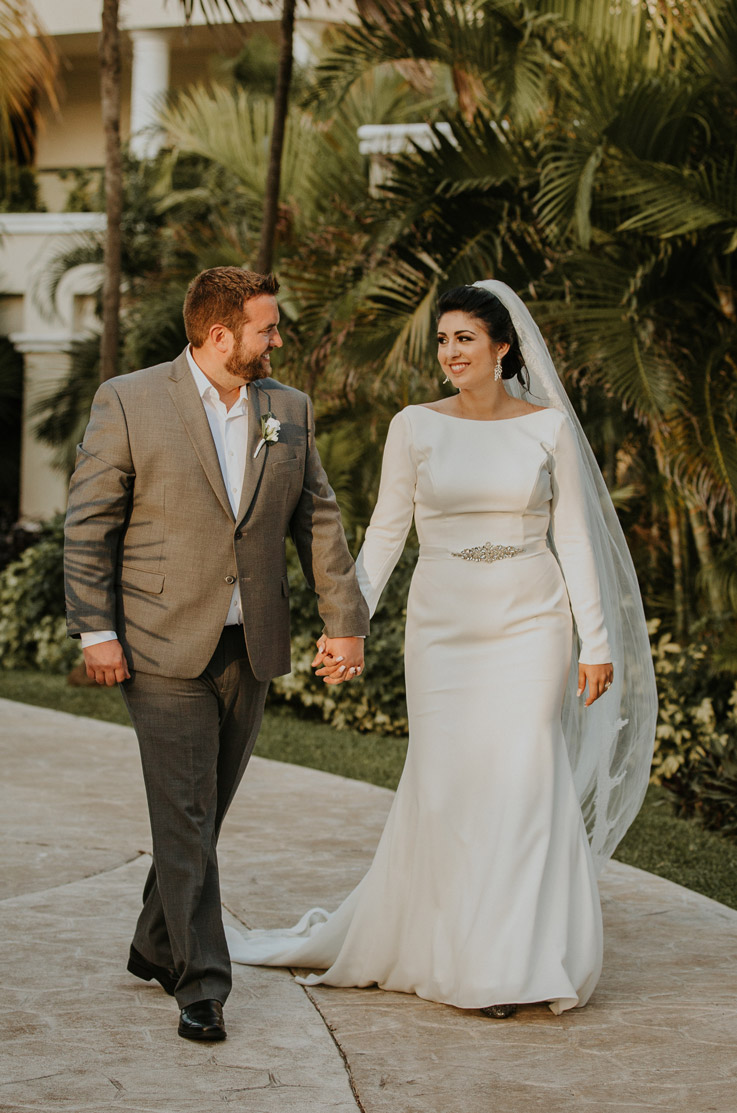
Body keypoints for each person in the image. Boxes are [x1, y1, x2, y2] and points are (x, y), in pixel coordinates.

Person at [226, 279, 658, 1017]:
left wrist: (595, 639)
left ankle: (511, 961)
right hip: (442, 625)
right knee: (450, 783)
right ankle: (449, 943)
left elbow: (576, 540)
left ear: (502, 347)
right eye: (442, 340)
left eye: (464, 337)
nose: (450, 352)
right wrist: (347, 624)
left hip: (531, 620)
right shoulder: (413, 425)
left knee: (523, 777)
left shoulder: (546, 427)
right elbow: (387, 533)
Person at [63, 266, 369, 1042]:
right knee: (186, 809)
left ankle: (153, 940)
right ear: (219, 333)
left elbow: (319, 517)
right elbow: (89, 521)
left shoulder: (286, 407)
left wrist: (344, 619)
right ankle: (201, 982)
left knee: (201, 814)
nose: (278, 339)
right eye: (267, 327)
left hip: (251, 640)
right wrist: (95, 631)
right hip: (159, 640)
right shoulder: (129, 400)